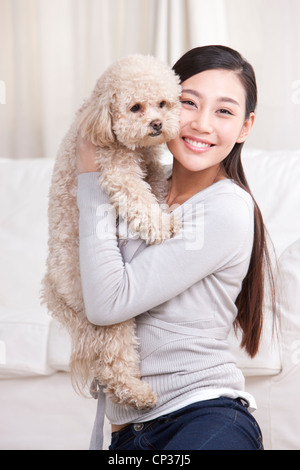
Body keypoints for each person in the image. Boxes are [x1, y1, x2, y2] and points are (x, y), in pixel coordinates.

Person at [76, 45, 275, 450]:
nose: (201, 124)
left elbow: (107, 303)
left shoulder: (227, 208)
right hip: (127, 435)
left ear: (244, 127)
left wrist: (93, 180)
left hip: (203, 417)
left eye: (223, 111)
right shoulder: (141, 187)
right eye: (188, 102)